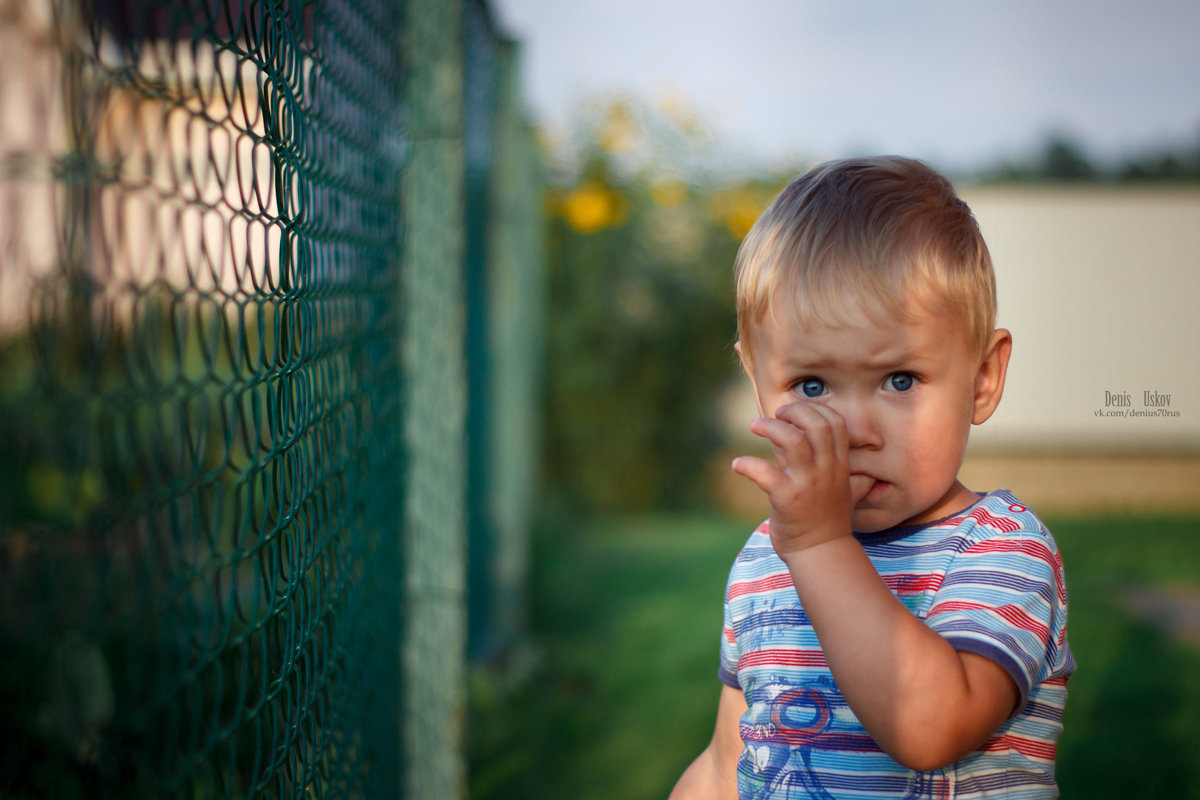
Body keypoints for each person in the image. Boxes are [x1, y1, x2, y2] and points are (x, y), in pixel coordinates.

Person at [670, 156, 1074, 799]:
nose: (856, 428)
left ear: (983, 378)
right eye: (811, 385)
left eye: (900, 380)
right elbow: (727, 764)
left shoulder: (1002, 549)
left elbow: (931, 729)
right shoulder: (764, 560)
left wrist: (821, 546)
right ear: (756, 381)